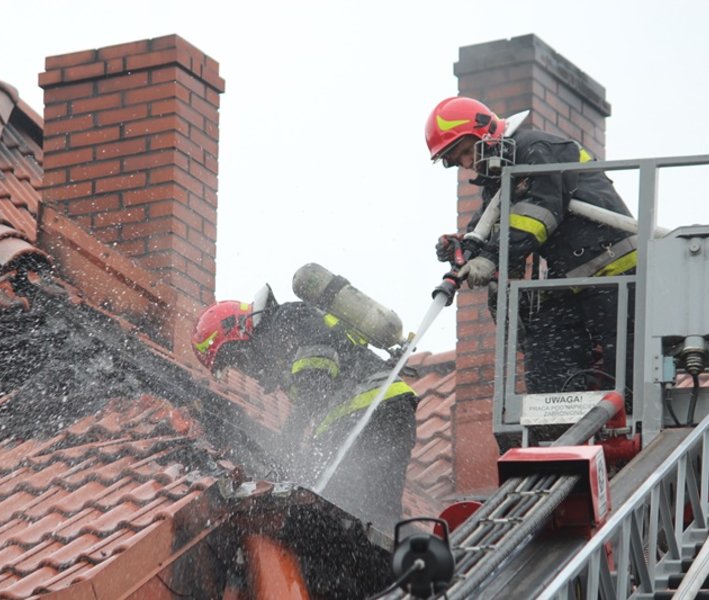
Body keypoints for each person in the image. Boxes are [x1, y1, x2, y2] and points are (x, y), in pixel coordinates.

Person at [426, 96, 636, 433]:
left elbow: (538, 215)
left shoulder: (537, 148)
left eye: (465, 151)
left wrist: (490, 257)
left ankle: (617, 438)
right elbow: (490, 226)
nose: (467, 163)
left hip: (619, 275)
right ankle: (553, 433)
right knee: (546, 352)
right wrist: (463, 248)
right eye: (457, 161)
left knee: (624, 383)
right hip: (571, 283)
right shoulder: (501, 174)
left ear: (484, 131)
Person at [191, 285, 418, 531]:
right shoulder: (281, 338)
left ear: (236, 332)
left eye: (234, 359)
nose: (242, 368)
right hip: (386, 410)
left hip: (367, 412)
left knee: (336, 503)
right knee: (376, 511)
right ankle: (419, 558)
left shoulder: (284, 319)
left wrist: (289, 446)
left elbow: (315, 380)